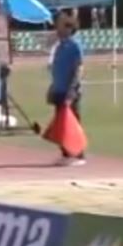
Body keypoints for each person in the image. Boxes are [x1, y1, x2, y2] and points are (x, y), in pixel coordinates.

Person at [47, 13, 85, 165]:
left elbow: (79, 68)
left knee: (72, 123)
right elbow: (56, 69)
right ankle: (65, 153)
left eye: (61, 25)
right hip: (58, 89)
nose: (57, 28)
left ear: (69, 28)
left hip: (69, 91)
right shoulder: (59, 46)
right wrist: (52, 87)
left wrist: (72, 90)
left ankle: (78, 154)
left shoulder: (74, 45)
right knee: (61, 124)